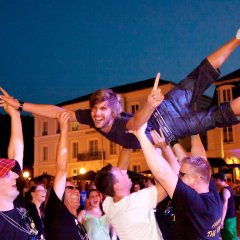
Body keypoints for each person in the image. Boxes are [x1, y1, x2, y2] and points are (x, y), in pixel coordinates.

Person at [1, 30, 240, 149]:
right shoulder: (99, 122)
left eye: (102, 108)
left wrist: (150, 105)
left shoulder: (114, 125)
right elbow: (56, 111)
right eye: (94, 108)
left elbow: (136, 123)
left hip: (160, 114)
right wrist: (21, 105)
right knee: (222, 114)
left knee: (201, 74)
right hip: (170, 127)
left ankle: (237, 38)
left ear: (114, 110)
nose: (96, 113)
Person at [131, 123, 222, 239]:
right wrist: (192, 130)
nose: (178, 176)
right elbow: (199, 158)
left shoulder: (196, 204)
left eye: (182, 174)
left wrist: (141, 136)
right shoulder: (211, 194)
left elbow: (163, 174)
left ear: (197, 179)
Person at [94, 147, 165, 240]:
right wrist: (162, 149)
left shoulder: (108, 205)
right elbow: (168, 184)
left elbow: (121, 165)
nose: (125, 172)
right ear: (117, 185)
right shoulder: (136, 201)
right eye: (121, 173)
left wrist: (127, 143)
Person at [44, 112, 89, 240]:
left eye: (76, 188)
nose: (76, 190)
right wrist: (64, 129)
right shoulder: (57, 213)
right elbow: (61, 169)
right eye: (70, 188)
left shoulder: (77, 221)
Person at [0, 100, 38, 239]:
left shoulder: (17, 203)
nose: (16, 177)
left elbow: (17, 153)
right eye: (7, 174)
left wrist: (15, 114)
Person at [213, 172, 238, 240]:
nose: (214, 182)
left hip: (228, 219)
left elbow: (225, 207)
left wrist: (222, 221)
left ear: (217, 180)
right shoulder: (222, 188)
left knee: (231, 237)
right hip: (228, 218)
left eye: (214, 180)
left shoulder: (225, 190)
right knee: (225, 237)